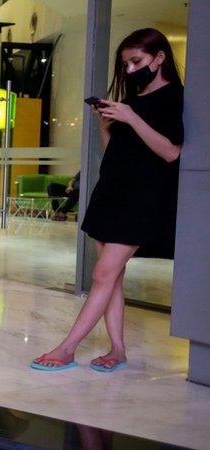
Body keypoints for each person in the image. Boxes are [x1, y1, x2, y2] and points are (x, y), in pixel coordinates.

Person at [33, 28, 184, 373]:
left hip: (143, 199)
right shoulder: (132, 99)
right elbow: (116, 155)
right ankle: (117, 349)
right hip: (112, 192)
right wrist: (105, 126)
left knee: (102, 275)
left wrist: (131, 117)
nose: (130, 70)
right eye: (125, 63)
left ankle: (67, 348)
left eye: (137, 61)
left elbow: (172, 152)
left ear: (160, 58)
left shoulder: (175, 97)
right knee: (112, 277)